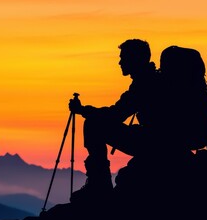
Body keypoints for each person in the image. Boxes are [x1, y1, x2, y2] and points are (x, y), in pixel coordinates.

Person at [68, 39, 165, 202]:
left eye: (123, 58)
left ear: (135, 59)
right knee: (95, 121)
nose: (120, 62)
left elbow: (116, 114)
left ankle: (98, 183)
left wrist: (84, 110)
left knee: (94, 124)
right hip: (158, 140)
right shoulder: (151, 80)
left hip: (153, 142)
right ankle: (99, 182)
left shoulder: (144, 84)